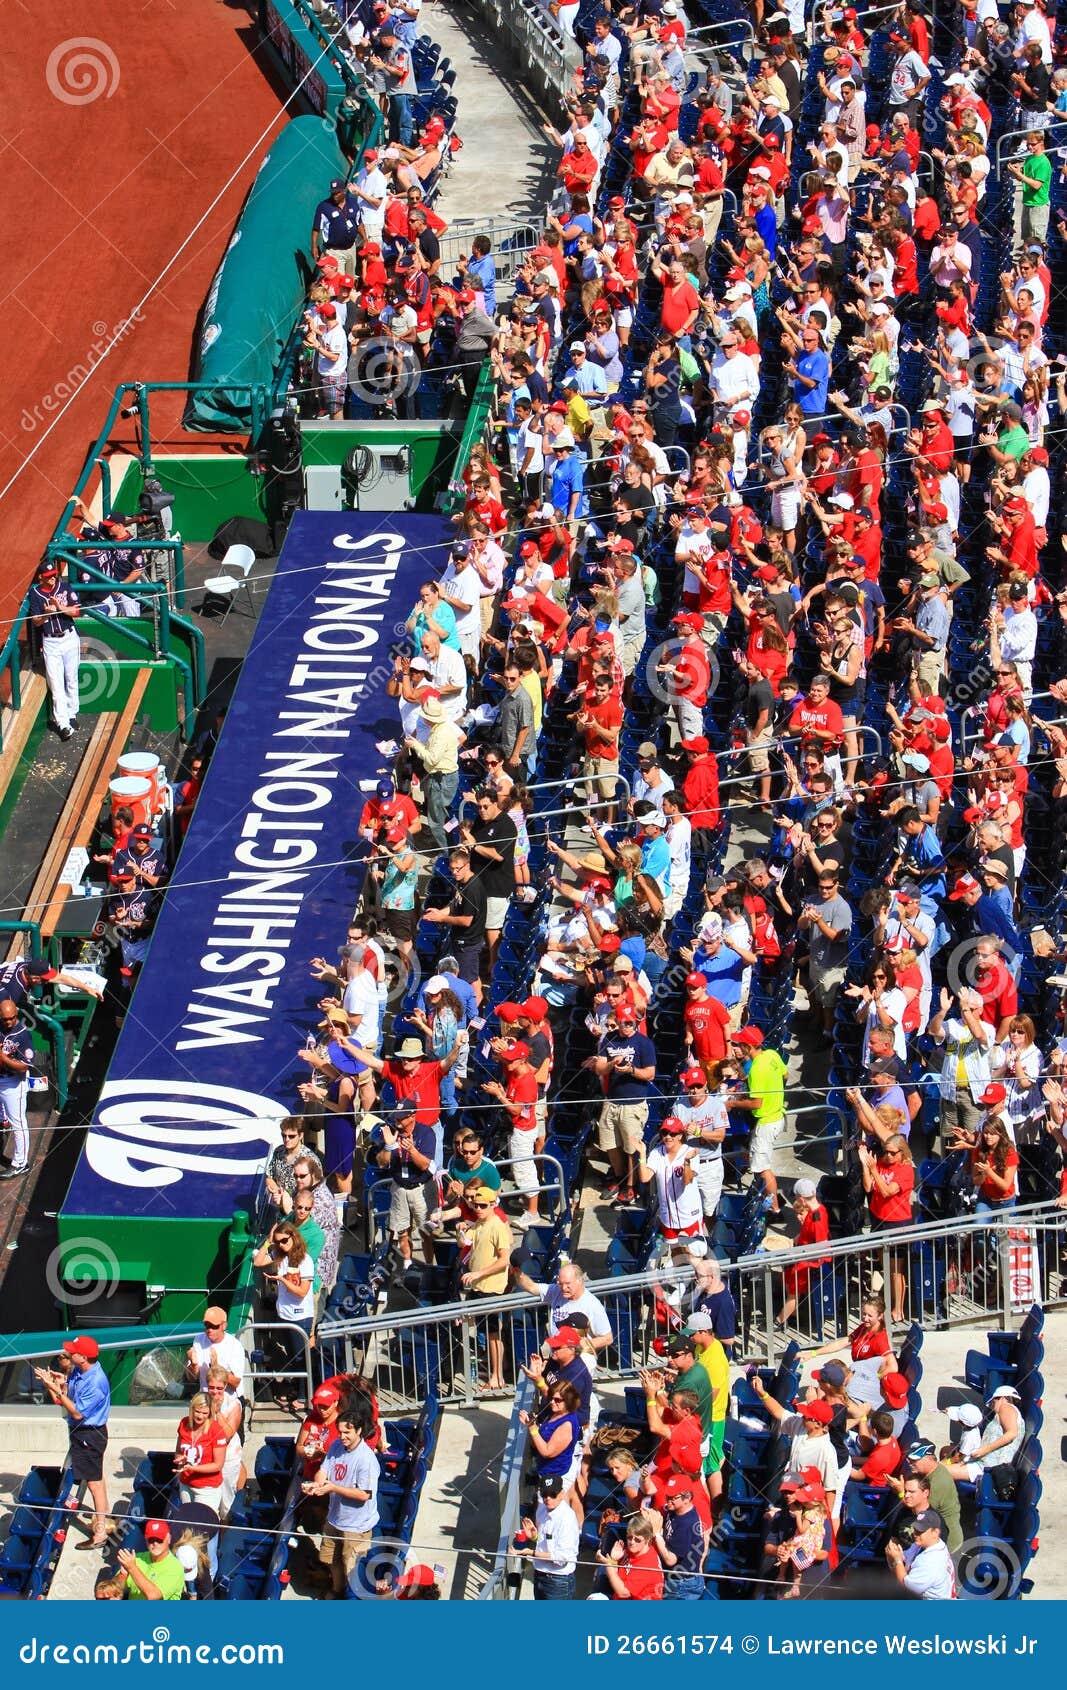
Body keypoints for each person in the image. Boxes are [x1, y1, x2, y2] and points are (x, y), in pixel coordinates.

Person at [32, 1336, 111, 1550]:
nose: (68, 1354)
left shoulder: (96, 1381)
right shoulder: (79, 1370)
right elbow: (67, 1396)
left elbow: (76, 1412)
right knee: (97, 1476)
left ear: (83, 1357)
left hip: (89, 1435)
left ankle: (100, 1533)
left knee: (93, 1482)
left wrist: (54, 1387)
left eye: (73, 1352)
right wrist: (60, 1382)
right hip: (81, 1434)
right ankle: (104, 1514)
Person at [302, 1403, 381, 1599]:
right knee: (331, 1559)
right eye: (340, 1432)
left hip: (356, 1526)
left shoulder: (366, 1460)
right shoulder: (337, 1446)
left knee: (352, 1569)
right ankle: (337, 1590)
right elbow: (324, 1470)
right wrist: (317, 1485)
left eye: (347, 1432)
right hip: (335, 1517)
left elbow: (365, 1494)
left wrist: (333, 1488)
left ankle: (349, 1597)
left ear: (359, 1430)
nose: (343, 1436)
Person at [521, 1473, 581, 1600]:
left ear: (562, 1494)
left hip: (558, 1581)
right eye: (544, 1495)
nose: (548, 1498)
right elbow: (547, 1543)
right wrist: (535, 1537)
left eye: (553, 1494)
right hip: (539, 1575)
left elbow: (562, 1558)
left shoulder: (567, 1519)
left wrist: (532, 1553)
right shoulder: (542, 1509)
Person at [173, 1392, 228, 1512]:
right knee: (187, 1522)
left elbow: (218, 1465)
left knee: (203, 1526)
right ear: (191, 1409)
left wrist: (192, 1468)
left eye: (205, 1413)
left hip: (207, 1488)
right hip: (186, 1483)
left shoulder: (216, 1430)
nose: (200, 1416)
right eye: (197, 1411)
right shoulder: (184, 1423)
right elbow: (178, 1450)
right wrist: (180, 1458)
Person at [885, 1509, 956, 1598]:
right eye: (915, 1529)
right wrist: (894, 1557)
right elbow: (904, 1566)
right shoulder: (930, 1544)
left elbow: (906, 1589)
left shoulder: (931, 1561)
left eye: (920, 1531)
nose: (915, 1534)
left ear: (935, 1533)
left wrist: (897, 1560)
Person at [0, 997, 33, 1177]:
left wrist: (4, 1059)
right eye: (5, 1019)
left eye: (12, 1017)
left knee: (18, 1123)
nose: (9, 1022)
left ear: (16, 1014)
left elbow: (24, 1066)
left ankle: (21, 1163)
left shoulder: (22, 1034)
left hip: (14, 1083)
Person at [185, 1305, 246, 1399]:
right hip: (206, 1398)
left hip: (229, 1398)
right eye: (207, 1325)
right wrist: (193, 1365)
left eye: (214, 1326)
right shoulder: (198, 1340)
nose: (209, 1330)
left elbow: (236, 1382)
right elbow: (192, 1378)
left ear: (224, 1326)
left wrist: (216, 1368)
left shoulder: (235, 1345)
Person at [116, 1519, 185, 1601]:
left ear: (169, 1539)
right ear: (145, 1540)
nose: (155, 1543)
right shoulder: (137, 1558)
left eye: (159, 1539)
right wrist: (122, 1575)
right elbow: (114, 1589)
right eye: (151, 1539)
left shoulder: (175, 1567)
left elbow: (153, 1596)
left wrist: (132, 1568)